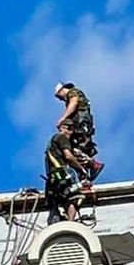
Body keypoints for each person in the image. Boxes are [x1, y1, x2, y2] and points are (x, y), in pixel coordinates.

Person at [44, 82, 102, 223]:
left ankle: (88, 172)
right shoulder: (70, 99)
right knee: (76, 150)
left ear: (63, 90)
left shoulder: (73, 93)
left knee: (77, 151)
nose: (60, 99)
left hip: (81, 125)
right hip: (81, 125)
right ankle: (87, 174)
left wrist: (63, 118)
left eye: (59, 96)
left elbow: (74, 103)